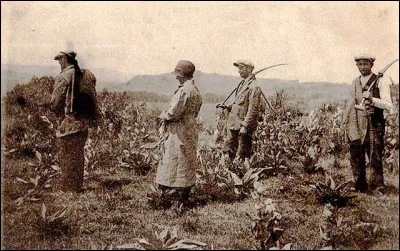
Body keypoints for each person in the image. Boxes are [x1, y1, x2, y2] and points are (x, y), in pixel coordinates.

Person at [156, 60, 203, 212]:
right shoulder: (194, 90)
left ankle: (175, 202)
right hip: (189, 129)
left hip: (179, 131)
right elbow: (195, 111)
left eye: (177, 73)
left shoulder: (185, 90)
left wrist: (164, 115)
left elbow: (174, 112)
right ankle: (182, 198)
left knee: (177, 162)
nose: (176, 77)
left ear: (181, 73)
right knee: (187, 161)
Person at [51, 51, 100, 193]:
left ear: (66, 59)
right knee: (78, 154)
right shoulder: (87, 74)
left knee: (66, 155)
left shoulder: (64, 76)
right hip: (84, 123)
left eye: (60, 60)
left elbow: (55, 102)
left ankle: (68, 189)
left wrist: (59, 116)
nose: (59, 63)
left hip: (69, 123)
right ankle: (77, 187)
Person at [342, 54, 392, 193]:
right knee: (356, 153)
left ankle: (377, 186)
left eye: (366, 64)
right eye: (360, 64)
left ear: (371, 65)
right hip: (356, 123)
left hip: (374, 123)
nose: (363, 67)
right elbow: (351, 103)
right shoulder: (355, 82)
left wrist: (373, 99)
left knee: (374, 155)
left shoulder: (380, 81)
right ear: (357, 66)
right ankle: (359, 185)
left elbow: (388, 105)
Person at [218, 59, 264, 163]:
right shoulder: (242, 84)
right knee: (227, 148)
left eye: (241, 68)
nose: (238, 71)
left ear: (248, 69)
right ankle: (228, 172)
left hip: (243, 126)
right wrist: (227, 107)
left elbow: (253, 109)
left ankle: (242, 175)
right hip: (234, 124)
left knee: (241, 153)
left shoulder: (254, 86)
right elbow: (239, 104)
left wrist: (245, 125)